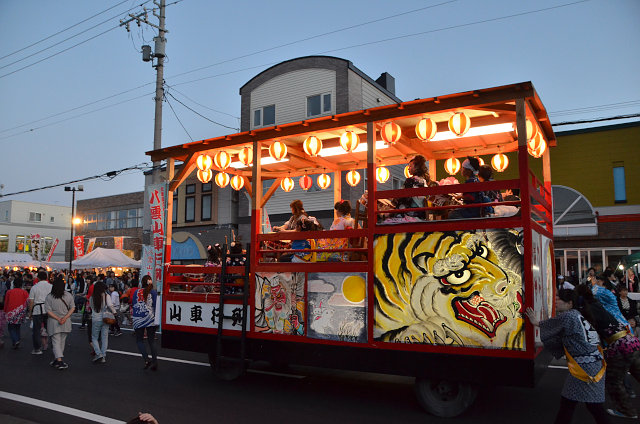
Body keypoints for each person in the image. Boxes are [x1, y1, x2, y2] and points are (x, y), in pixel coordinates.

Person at [525, 289, 610, 424]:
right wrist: (540, 344)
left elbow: (547, 326)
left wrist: (535, 321)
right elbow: (565, 340)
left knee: (582, 404)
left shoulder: (568, 316)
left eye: (559, 298)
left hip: (584, 369)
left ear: (570, 303)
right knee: (583, 403)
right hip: (593, 365)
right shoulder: (577, 316)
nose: (556, 300)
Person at [574, 284, 640, 419]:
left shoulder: (586, 309)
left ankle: (627, 411)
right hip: (631, 340)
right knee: (637, 371)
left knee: (614, 381)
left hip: (618, 345)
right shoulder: (598, 304)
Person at [45, 276, 75, 370]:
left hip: (54, 322)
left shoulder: (49, 296)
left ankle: (59, 360)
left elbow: (48, 311)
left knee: (56, 342)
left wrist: (58, 318)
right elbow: (72, 308)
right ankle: (58, 359)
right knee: (62, 341)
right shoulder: (68, 295)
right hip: (66, 321)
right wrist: (65, 317)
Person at [132, 275, 158, 370]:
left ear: (141, 283)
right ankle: (155, 362)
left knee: (139, 340)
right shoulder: (153, 292)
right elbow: (156, 306)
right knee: (151, 341)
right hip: (150, 318)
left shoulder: (136, 292)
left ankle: (146, 359)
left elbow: (134, 304)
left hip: (138, 318)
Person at [393, 155, 432, 219]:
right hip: (421, 212)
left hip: (411, 213)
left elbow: (403, 198)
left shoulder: (410, 181)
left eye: (410, 166)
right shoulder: (424, 181)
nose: (408, 168)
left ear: (417, 167)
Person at [90, 281, 116, 363]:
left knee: (94, 337)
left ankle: (98, 354)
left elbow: (92, 308)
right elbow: (110, 305)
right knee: (105, 338)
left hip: (96, 319)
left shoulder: (92, 297)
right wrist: (114, 313)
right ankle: (103, 356)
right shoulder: (106, 296)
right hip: (105, 318)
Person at [28, 270, 52, 355]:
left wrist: (30, 312)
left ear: (38, 278)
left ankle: (37, 349)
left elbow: (31, 301)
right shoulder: (51, 286)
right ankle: (54, 345)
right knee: (50, 329)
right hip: (48, 309)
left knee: (36, 330)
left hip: (37, 309)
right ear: (47, 277)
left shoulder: (35, 287)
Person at [3, 277, 29, 349]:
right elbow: (27, 302)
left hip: (10, 311)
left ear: (14, 284)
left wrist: (5, 311)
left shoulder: (9, 292)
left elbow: (6, 302)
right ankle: (16, 341)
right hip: (20, 312)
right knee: (17, 327)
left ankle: (15, 340)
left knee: (11, 328)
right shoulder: (25, 292)